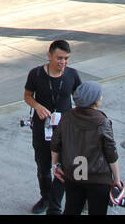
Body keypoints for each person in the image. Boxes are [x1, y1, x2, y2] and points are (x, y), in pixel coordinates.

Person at [23, 40, 83, 214]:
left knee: (64, 166)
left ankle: (55, 203)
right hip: (42, 128)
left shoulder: (72, 75)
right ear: (49, 56)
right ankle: (46, 197)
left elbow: (80, 99)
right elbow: (27, 95)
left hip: (65, 129)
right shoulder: (36, 74)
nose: (63, 62)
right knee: (43, 166)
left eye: (66, 59)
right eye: (59, 58)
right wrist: (37, 106)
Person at [50, 80, 121, 216]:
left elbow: (55, 143)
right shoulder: (102, 122)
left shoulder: (67, 117)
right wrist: (116, 179)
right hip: (98, 178)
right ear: (94, 100)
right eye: (100, 95)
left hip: (73, 175)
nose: (101, 97)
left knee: (72, 209)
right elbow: (111, 152)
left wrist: (55, 165)